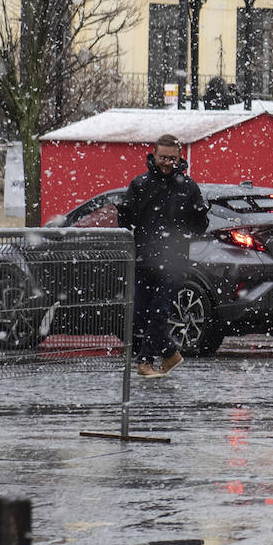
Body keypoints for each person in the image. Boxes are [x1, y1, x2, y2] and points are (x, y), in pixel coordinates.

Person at [117, 134, 209, 377]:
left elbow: (200, 227)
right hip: (144, 259)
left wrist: (199, 214)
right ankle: (169, 353)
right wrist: (124, 212)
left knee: (159, 312)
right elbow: (125, 222)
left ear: (179, 157)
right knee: (139, 314)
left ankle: (145, 361)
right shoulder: (140, 184)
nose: (167, 163)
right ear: (154, 156)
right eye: (163, 158)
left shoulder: (188, 187)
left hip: (173, 262)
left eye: (172, 158)